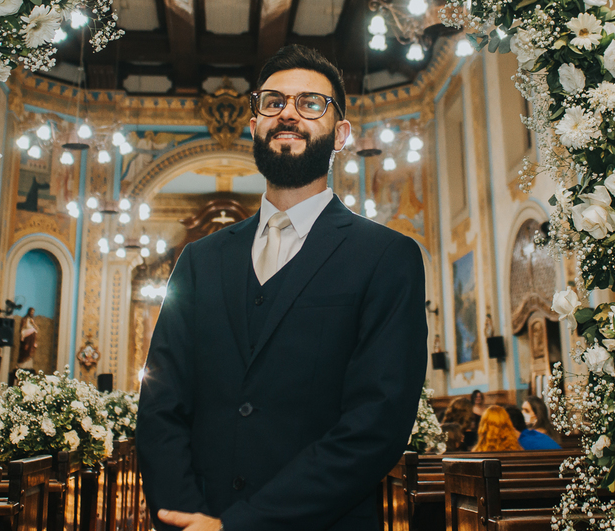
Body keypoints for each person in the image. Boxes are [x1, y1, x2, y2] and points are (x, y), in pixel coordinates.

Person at [137, 45, 428, 531]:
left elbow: (376, 423)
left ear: (340, 134)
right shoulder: (200, 261)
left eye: (310, 103)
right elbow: (160, 404)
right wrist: (184, 518)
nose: (288, 113)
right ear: (254, 126)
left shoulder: (386, 257)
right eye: (273, 102)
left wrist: (243, 527)